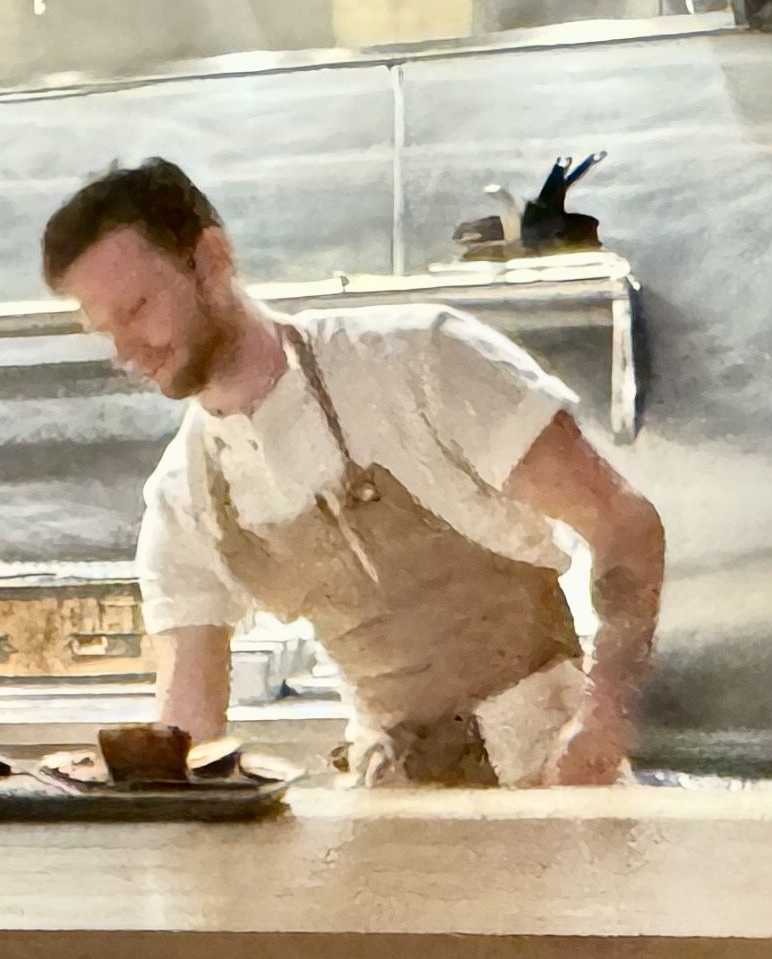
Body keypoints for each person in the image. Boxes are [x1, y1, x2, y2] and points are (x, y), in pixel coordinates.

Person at [42, 159, 663, 786]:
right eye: (105, 329)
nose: (126, 349)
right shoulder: (186, 494)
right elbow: (188, 729)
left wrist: (606, 711)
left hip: (555, 770)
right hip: (392, 799)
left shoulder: (421, 358)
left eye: (138, 307)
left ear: (210, 258)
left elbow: (622, 524)